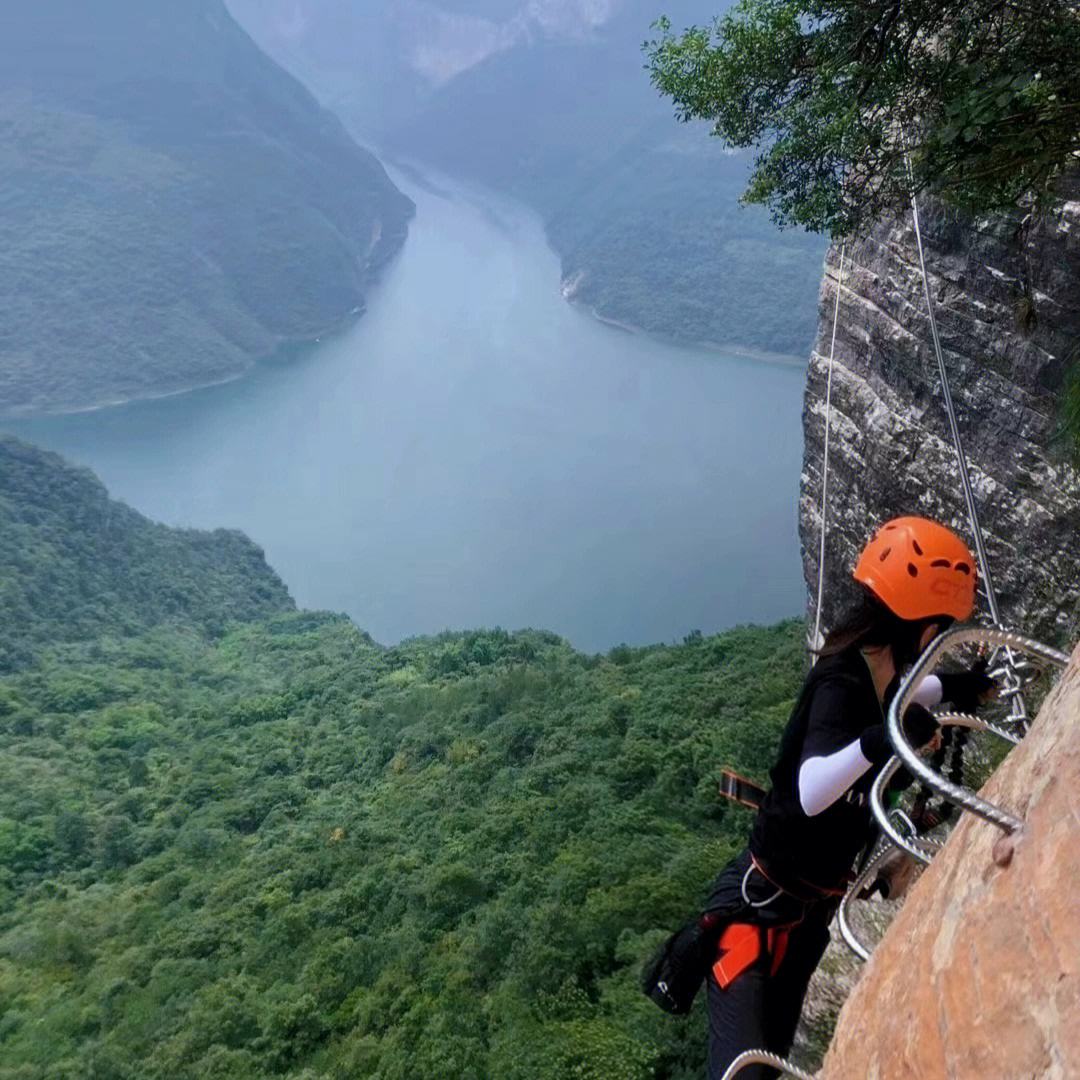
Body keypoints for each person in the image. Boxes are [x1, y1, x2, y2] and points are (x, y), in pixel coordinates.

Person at [703, 516, 996, 1079]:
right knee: (745, 1074)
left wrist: (966, 686)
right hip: (757, 912)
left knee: (771, 1062)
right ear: (925, 624)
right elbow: (813, 790)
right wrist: (881, 737)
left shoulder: (883, 668)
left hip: (805, 918)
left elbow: (921, 689)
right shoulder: (842, 678)